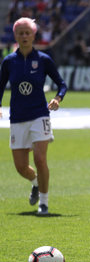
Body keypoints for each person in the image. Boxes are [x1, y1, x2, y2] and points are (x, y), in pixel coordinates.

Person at [0, 17, 67, 215]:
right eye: (20, 33)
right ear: (15, 36)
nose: (24, 36)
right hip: (18, 117)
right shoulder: (9, 61)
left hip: (40, 114)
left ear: (33, 35)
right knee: (21, 167)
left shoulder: (44, 60)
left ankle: (43, 203)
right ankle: (36, 183)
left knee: (39, 158)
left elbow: (62, 84)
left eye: (27, 32)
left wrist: (58, 99)